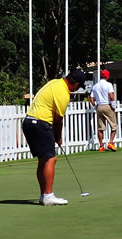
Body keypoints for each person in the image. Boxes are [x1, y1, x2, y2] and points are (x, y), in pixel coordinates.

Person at [21, 69, 88, 206]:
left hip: (29, 122)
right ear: (76, 84)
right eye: (79, 87)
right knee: (51, 158)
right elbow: (58, 120)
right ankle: (48, 195)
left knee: (43, 160)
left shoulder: (55, 82)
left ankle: (43, 195)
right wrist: (58, 137)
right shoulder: (63, 93)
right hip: (40, 123)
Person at [89, 69, 118, 152]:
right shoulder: (109, 85)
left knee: (100, 127)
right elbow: (111, 96)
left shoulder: (95, 86)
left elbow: (91, 98)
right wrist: (113, 107)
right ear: (107, 76)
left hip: (99, 106)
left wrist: (95, 105)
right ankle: (111, 143)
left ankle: (101, 146)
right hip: (107, 105)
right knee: (114, 125)